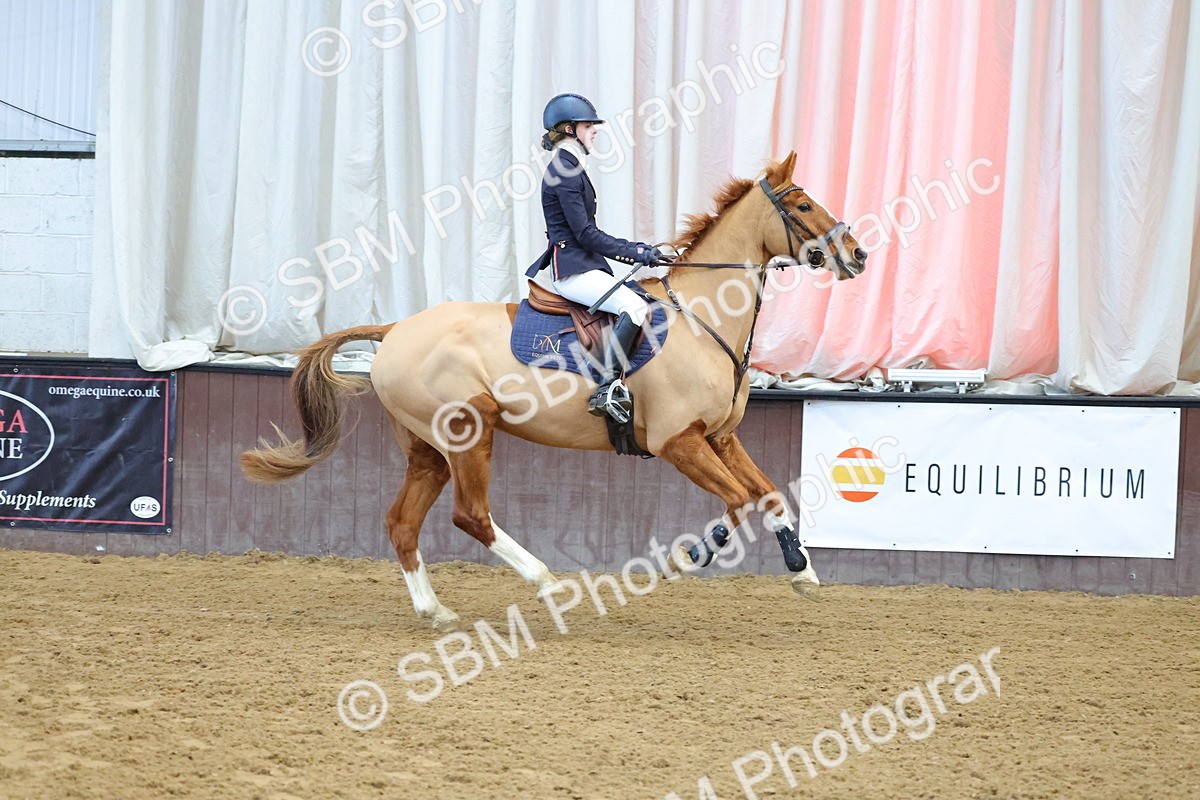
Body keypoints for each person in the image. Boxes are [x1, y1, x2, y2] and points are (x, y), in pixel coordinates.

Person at [525, 93, 673, 421]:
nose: (594, 130)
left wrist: (639, 249)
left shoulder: (571, 168)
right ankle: (606, 388)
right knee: (633, 308)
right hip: (573, 272)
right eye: (588, 125)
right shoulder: (563, 171)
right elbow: (585, 234)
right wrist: (635, 251)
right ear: (568, 129)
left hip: (586, 265)